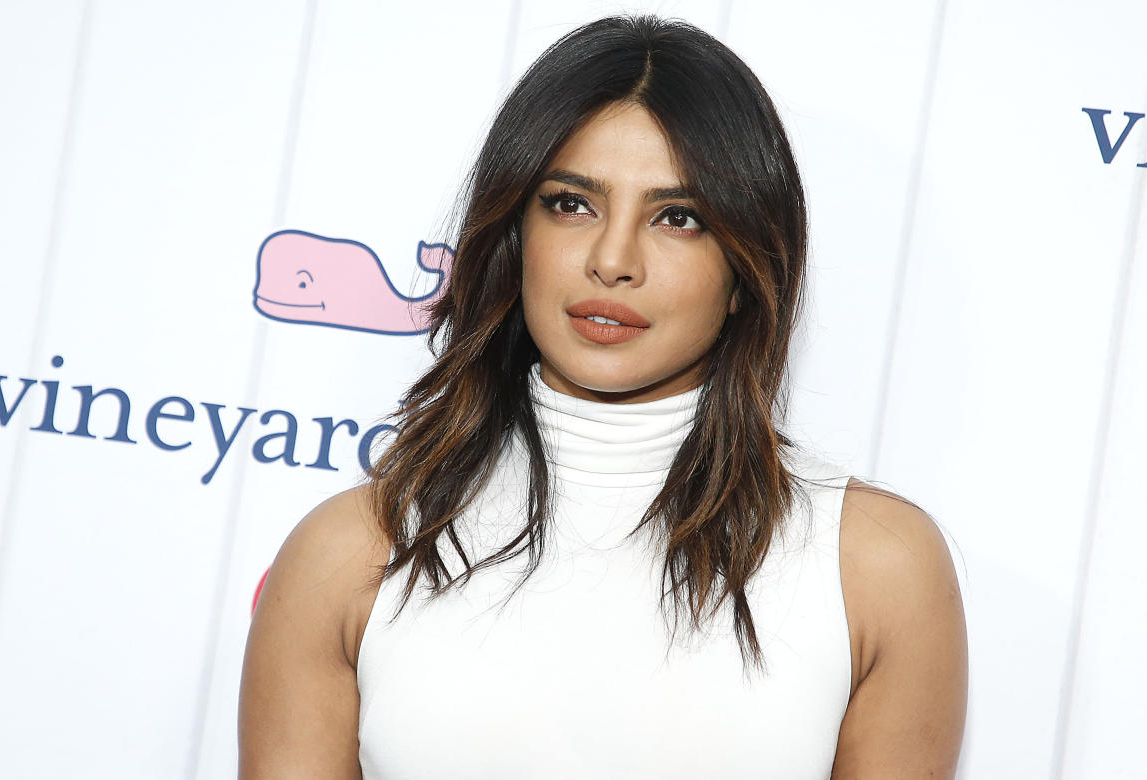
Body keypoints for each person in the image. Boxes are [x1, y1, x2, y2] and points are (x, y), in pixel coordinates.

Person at [238, 13, 967, 779]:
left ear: (745, 273)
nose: (612, 260)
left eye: (677, 218)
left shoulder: (876, 569)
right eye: (571, 204)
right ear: (513, 236)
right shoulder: (347, 555)